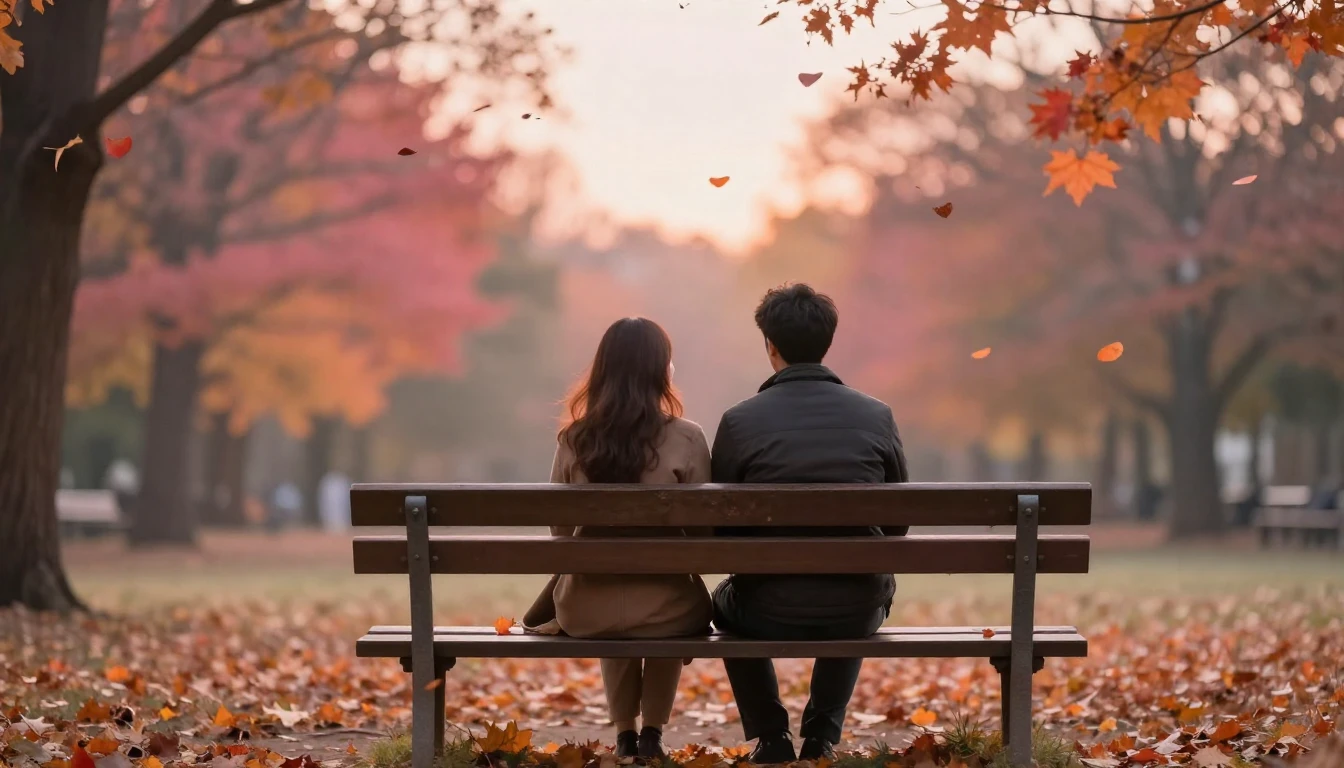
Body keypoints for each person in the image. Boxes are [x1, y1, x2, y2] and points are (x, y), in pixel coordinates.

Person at [710, 283, 909, 763]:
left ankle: (771, 736)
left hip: (765, 608)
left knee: (724, 606)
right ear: (827, 343)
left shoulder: (739, 421)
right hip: (857, 608)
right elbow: (898, 524)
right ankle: (820, 738)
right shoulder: (876, 415)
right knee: (860, 580)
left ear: (770, 346)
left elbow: (719, 532)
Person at [523, 317, 713, 759]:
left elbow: (560, 532)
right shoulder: (688, 437)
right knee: (668, 601)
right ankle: (652, 733)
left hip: (585, 610)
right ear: (661, 370)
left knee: (602, 579)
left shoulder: (574, 438)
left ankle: (625, 733)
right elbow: (706, 535)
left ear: (602, 370)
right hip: (669, 610)